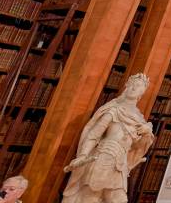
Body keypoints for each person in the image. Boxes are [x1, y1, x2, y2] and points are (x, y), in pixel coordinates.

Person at [62, 74, 155, 203]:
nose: (134, 87)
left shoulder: (139, 118)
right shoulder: (113, 109)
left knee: (120, 200)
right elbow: (94, 134)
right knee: (91, 198)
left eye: (138, 86)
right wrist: (83, 155)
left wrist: (146, 134)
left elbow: (136, 148)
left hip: (120, 163)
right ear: (126, 86)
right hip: (103, 157)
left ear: (142, 92)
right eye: (132, 84)